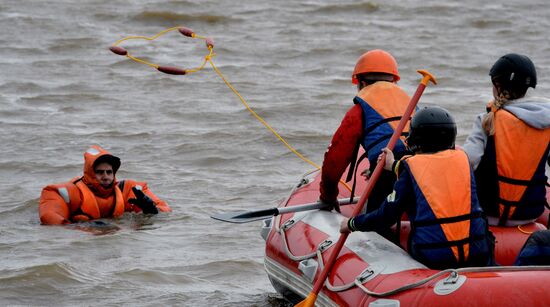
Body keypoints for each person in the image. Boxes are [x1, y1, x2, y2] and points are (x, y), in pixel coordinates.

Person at [340, 107, 493, 269]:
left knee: (393, 233)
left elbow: (386, 216)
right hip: (478, 254)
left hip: (435, 258)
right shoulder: (463, 160)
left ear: (417, 139)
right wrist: (392, 165)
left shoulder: (410, 169)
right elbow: (429, 169)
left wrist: (352, 224)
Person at [319, 49, 413, 213]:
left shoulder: (359, 111)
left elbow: (335, 160)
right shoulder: (412, 104)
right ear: (394, 81)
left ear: (361, 83)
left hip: (386, 174)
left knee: (376, 224)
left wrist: (328, 196)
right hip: (419, 174)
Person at [463, 53, 550, 227]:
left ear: (496, 85)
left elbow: (468, 162)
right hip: (530, 214)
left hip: (488, 212)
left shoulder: (487, 119)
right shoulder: (547, 122)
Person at [39, 145, 171, 225]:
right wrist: (82, 227)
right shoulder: (68, 192)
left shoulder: (129, 189)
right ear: (90, 173)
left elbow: (167, 212)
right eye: (100, 172)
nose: (105, 176)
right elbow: (49, 218)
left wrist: (152, 211)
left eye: (109, 172)